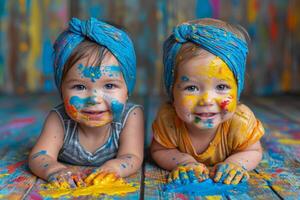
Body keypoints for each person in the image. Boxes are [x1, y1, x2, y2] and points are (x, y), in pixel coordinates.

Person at [28, 17, 144, 188]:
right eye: (80, 86)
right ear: (62, 90)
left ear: (127, 90)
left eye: (110, 85)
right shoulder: (59, 119)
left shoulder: (131, 116)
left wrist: (114, 167)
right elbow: (38, 156)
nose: (94, 99)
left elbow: (132, 156)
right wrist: (54, 170)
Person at [151, 18, 264, 185]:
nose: (207, 100)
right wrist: (185, 162)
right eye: (191, 88)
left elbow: (253, 150)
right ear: (172, 91)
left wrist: (234, 163)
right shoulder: (169, 120)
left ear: (237, 90)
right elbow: (159, 149)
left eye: (221, 86)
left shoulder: (240, 122)